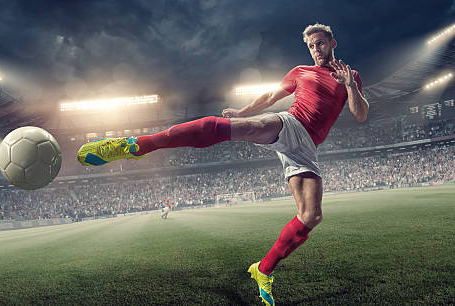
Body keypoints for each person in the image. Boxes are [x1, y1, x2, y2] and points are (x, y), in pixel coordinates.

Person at [77, 23, 368, 305]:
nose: (316, 50)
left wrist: (350, 85)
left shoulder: (350, 76)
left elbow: (360, 114)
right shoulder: (301, 72)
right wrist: (241, 112)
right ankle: (138, 145)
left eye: (320, 44)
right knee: (247, 127)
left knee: (311, 216)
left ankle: (263, 269)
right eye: (311, 46)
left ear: (332, 43)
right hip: (291, 123)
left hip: (307, 148)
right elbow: (270, 96)